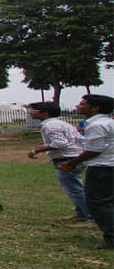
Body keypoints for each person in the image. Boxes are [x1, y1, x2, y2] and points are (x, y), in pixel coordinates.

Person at [59, 94, 114, 250]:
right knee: (108, 201)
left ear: (95, 108)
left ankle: (111, 238)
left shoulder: (97, 125)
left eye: (83, 104)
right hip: (109, 166)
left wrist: (72, 163)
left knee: (98, 202)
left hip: (102, 168)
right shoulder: (109, 122)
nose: (78, 106)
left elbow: (94, 150)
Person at [26, 101, 92, 224]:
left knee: (74, 189)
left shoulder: (50, 125)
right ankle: (81, 213)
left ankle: (91, 217)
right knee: (75, 187)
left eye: (33, 110)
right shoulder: (60, 123)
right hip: (73, 156)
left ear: (44, 112)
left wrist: (38, 149)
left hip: (67, 159)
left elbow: (60, 143)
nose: (30, 113)